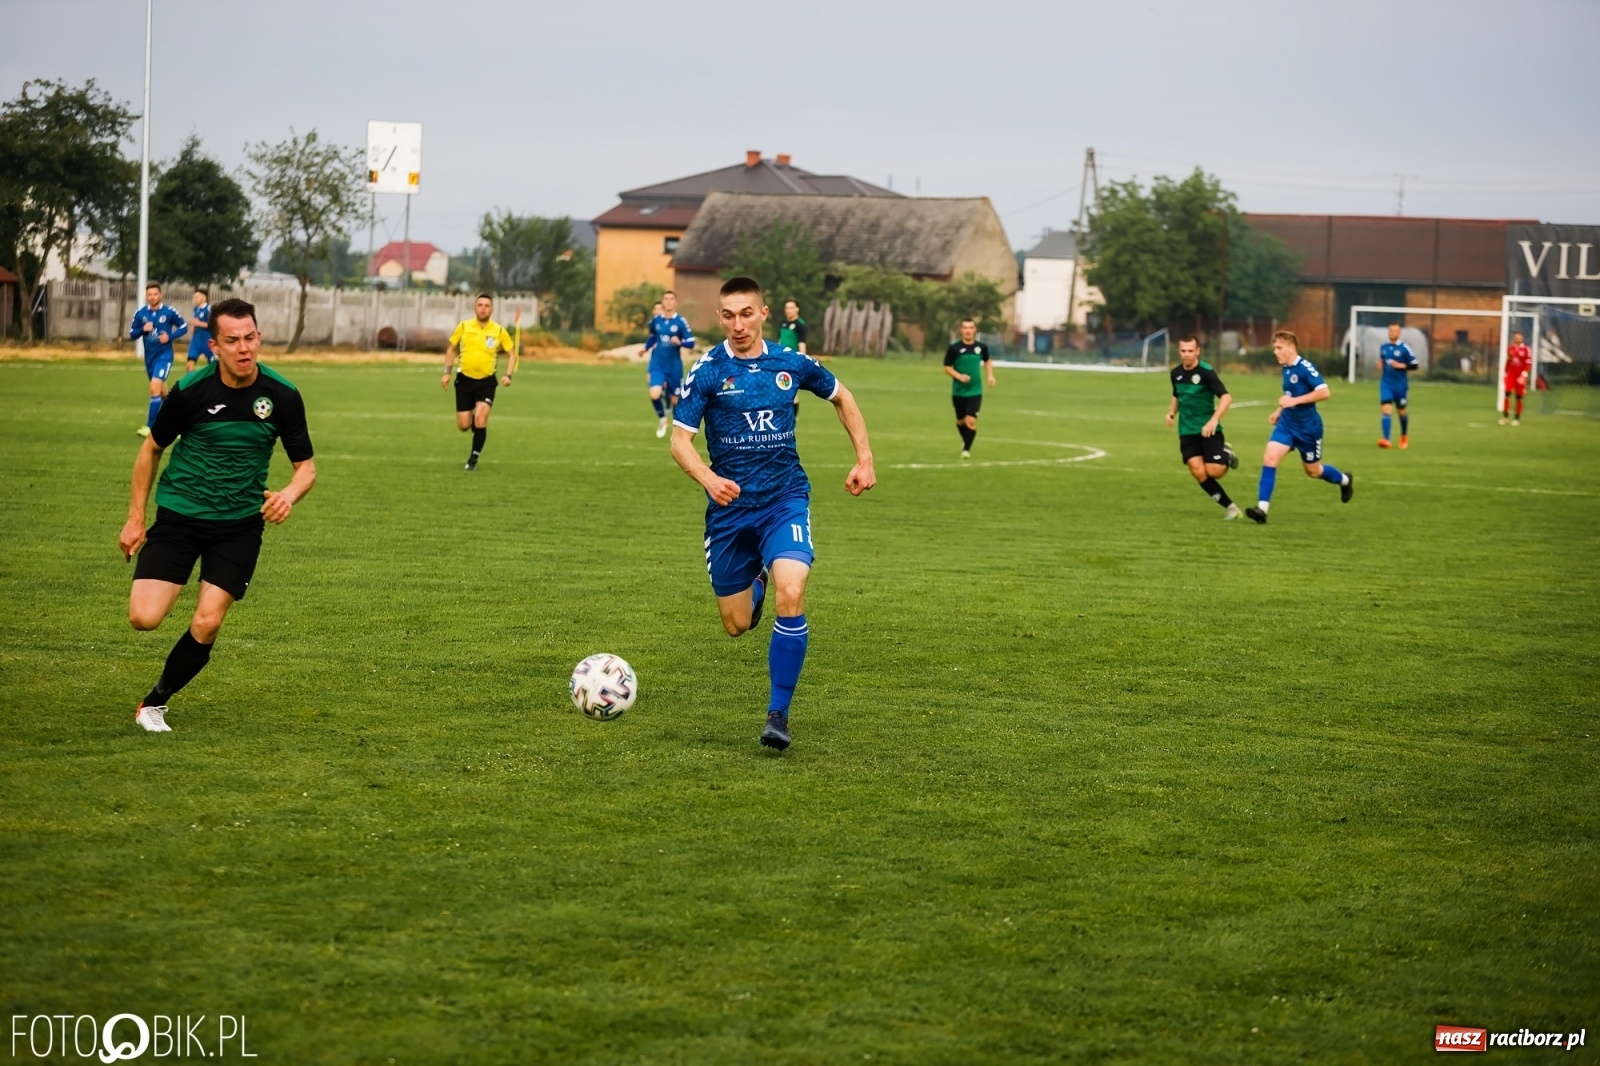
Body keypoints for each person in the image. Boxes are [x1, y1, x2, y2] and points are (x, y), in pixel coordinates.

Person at [669, 276, 875, 752]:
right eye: (728, 315)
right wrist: (708, 477)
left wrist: (864, 458)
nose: (737, 324)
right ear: (720, 318)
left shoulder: (791, 361)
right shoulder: (707, 371)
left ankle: (778, 714)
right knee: (737, 624)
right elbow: (680, 441)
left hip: (785, 499)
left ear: (764, 314)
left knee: (793, 590)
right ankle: (756, 580)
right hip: (730, 511)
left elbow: (843, 396)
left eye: (746, 313)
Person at [120, 298, 316, 732]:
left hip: (240, 526)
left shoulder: (282, 395)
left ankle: (154, 703)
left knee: (207, 621)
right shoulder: (191, 391)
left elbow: (306, 469)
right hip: (181, 517)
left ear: (259, 338)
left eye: (250, 338)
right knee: (144, 618)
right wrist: (136, 518)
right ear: (215, 345)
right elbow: (151, 449)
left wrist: (288, 494)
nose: (244, 348)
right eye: (233, 340)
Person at [1245, 330, 1353, 524]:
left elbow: (1324, 392)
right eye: (1274, 348)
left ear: (1292, 348)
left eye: (1279, 348)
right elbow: (1289, 394)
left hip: (1308, 429)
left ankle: (1344, 480)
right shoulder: (1286, 368)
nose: (1275, 352)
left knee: (1313, 471)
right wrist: (1279, 410)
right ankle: (1262, 509)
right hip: (1287, 425)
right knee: (1269, 458)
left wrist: (1294, 401)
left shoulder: (1305, 368)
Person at [1165, 335, 1242, 518]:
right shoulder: (1176, 373)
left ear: (1198, 351)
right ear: (1179, 352)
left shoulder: (1206, 372)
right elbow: (1177, 395)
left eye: (1190, 351)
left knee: (1214, 470)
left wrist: (1214, 420)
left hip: (1209, 430)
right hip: (1187, 431)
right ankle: (1231, 508)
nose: (1187, 355)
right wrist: (1171, 413)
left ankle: (1227, 453)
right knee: (1198, 472)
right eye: (1183, 351)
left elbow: (1226, 397)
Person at [442, 293, 518, 470]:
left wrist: (508, 375)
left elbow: (512, 355)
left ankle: (473, 460)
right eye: (480, 305)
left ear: (492, 309)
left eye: (487, 305)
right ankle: (477, 427)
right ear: (475, 308)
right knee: (463, 425)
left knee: (481, 416)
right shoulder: (463, 327)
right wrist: (446, 372)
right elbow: (451, 349)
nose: (483, 308)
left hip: (486, 382)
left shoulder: (499, 331)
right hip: (464, 381)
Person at [128, 282, 188, 437]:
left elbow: (184, 327)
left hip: (164, 356)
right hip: (150, 358)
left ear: (161, 295)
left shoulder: (169, 312)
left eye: (155, 294)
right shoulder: (140, 314)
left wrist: (170, 337)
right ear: (146, 296)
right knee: (163, 393)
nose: (152, 297)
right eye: (150, 294)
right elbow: (132, 334)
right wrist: (143, 329)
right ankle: (178, 424)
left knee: (154, 388)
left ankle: (150, 426)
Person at [944, 318, 995, 459]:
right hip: (958, 391)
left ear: (975, 330)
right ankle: (965, 439)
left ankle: (966, 449)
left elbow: (987, 361)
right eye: (965, 327)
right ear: (961, 330)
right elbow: (947, 367)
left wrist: (990, 375)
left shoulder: (981, 347)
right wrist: (959, 376)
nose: (968, 330)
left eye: (971, 327)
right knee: (961, 421)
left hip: (975, 390)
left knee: (970, 421)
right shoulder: (954, 348)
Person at [647, 291, 695, 438]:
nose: (668, 301)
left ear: (675, 303)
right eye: (666, 299)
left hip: (674, 366)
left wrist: (680, 342)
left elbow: (691, 342)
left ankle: (678, 428)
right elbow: (653, 337)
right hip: (658, 364)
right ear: (662, 302)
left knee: (676, 400)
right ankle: (662, 419)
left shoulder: (680, 321)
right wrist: (645, 349)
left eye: (671, 299)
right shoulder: (656, 321)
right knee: (654, 394)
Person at [1377, 322, 1418, 449]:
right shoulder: (1383, 347)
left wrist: (1401, 366)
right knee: (1386, 409)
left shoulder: (1405, 348)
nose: (1392, 333)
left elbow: (1415, 365)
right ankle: (1386, 440)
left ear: (1399, 333)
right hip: (1386, 383)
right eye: (1390, 331)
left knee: (1401, 411)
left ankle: (1404, 436)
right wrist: (1380, 364)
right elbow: (1382, 360)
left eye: (1395, 331)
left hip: (1400, 385)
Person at [777, 299, 807, 418]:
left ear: (797, 309)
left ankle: (793, 419)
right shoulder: (783, 323)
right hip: (780, 361)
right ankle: (784, 416)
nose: (789, 310)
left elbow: (802, 344)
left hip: (792, 362)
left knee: (792, 391)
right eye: (787, 308)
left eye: (791, 308)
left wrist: (802, 361)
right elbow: (780, 342)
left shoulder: (800, 325)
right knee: (781, 390)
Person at [1501, 331, 1532, 426]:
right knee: (1507, 394)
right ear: (1514, 338)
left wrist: (1524, 374)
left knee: (1519, 397)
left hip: (1520, 376)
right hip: (1511, 375)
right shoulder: (1510, 348)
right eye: (1516, 337)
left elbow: (1528, 363)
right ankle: (1505, 417)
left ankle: (1516, 419)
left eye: (1519, 337)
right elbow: (1508, 361)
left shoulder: (1526, 349)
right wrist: (1505, 372)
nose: (1517, 339)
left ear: (1522, 338)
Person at [186, 288, 213, 374]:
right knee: (189, 364)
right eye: (194, 297)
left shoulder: (209, 309)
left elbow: (213, 325)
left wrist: (199, 324)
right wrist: (193, 326)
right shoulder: (196, 309)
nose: (195, 299)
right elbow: (196, 321)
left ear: (204, 298)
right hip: (196, 340)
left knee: (213, 366)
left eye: (197, 297)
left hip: (208, 340)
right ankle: (190, 385)